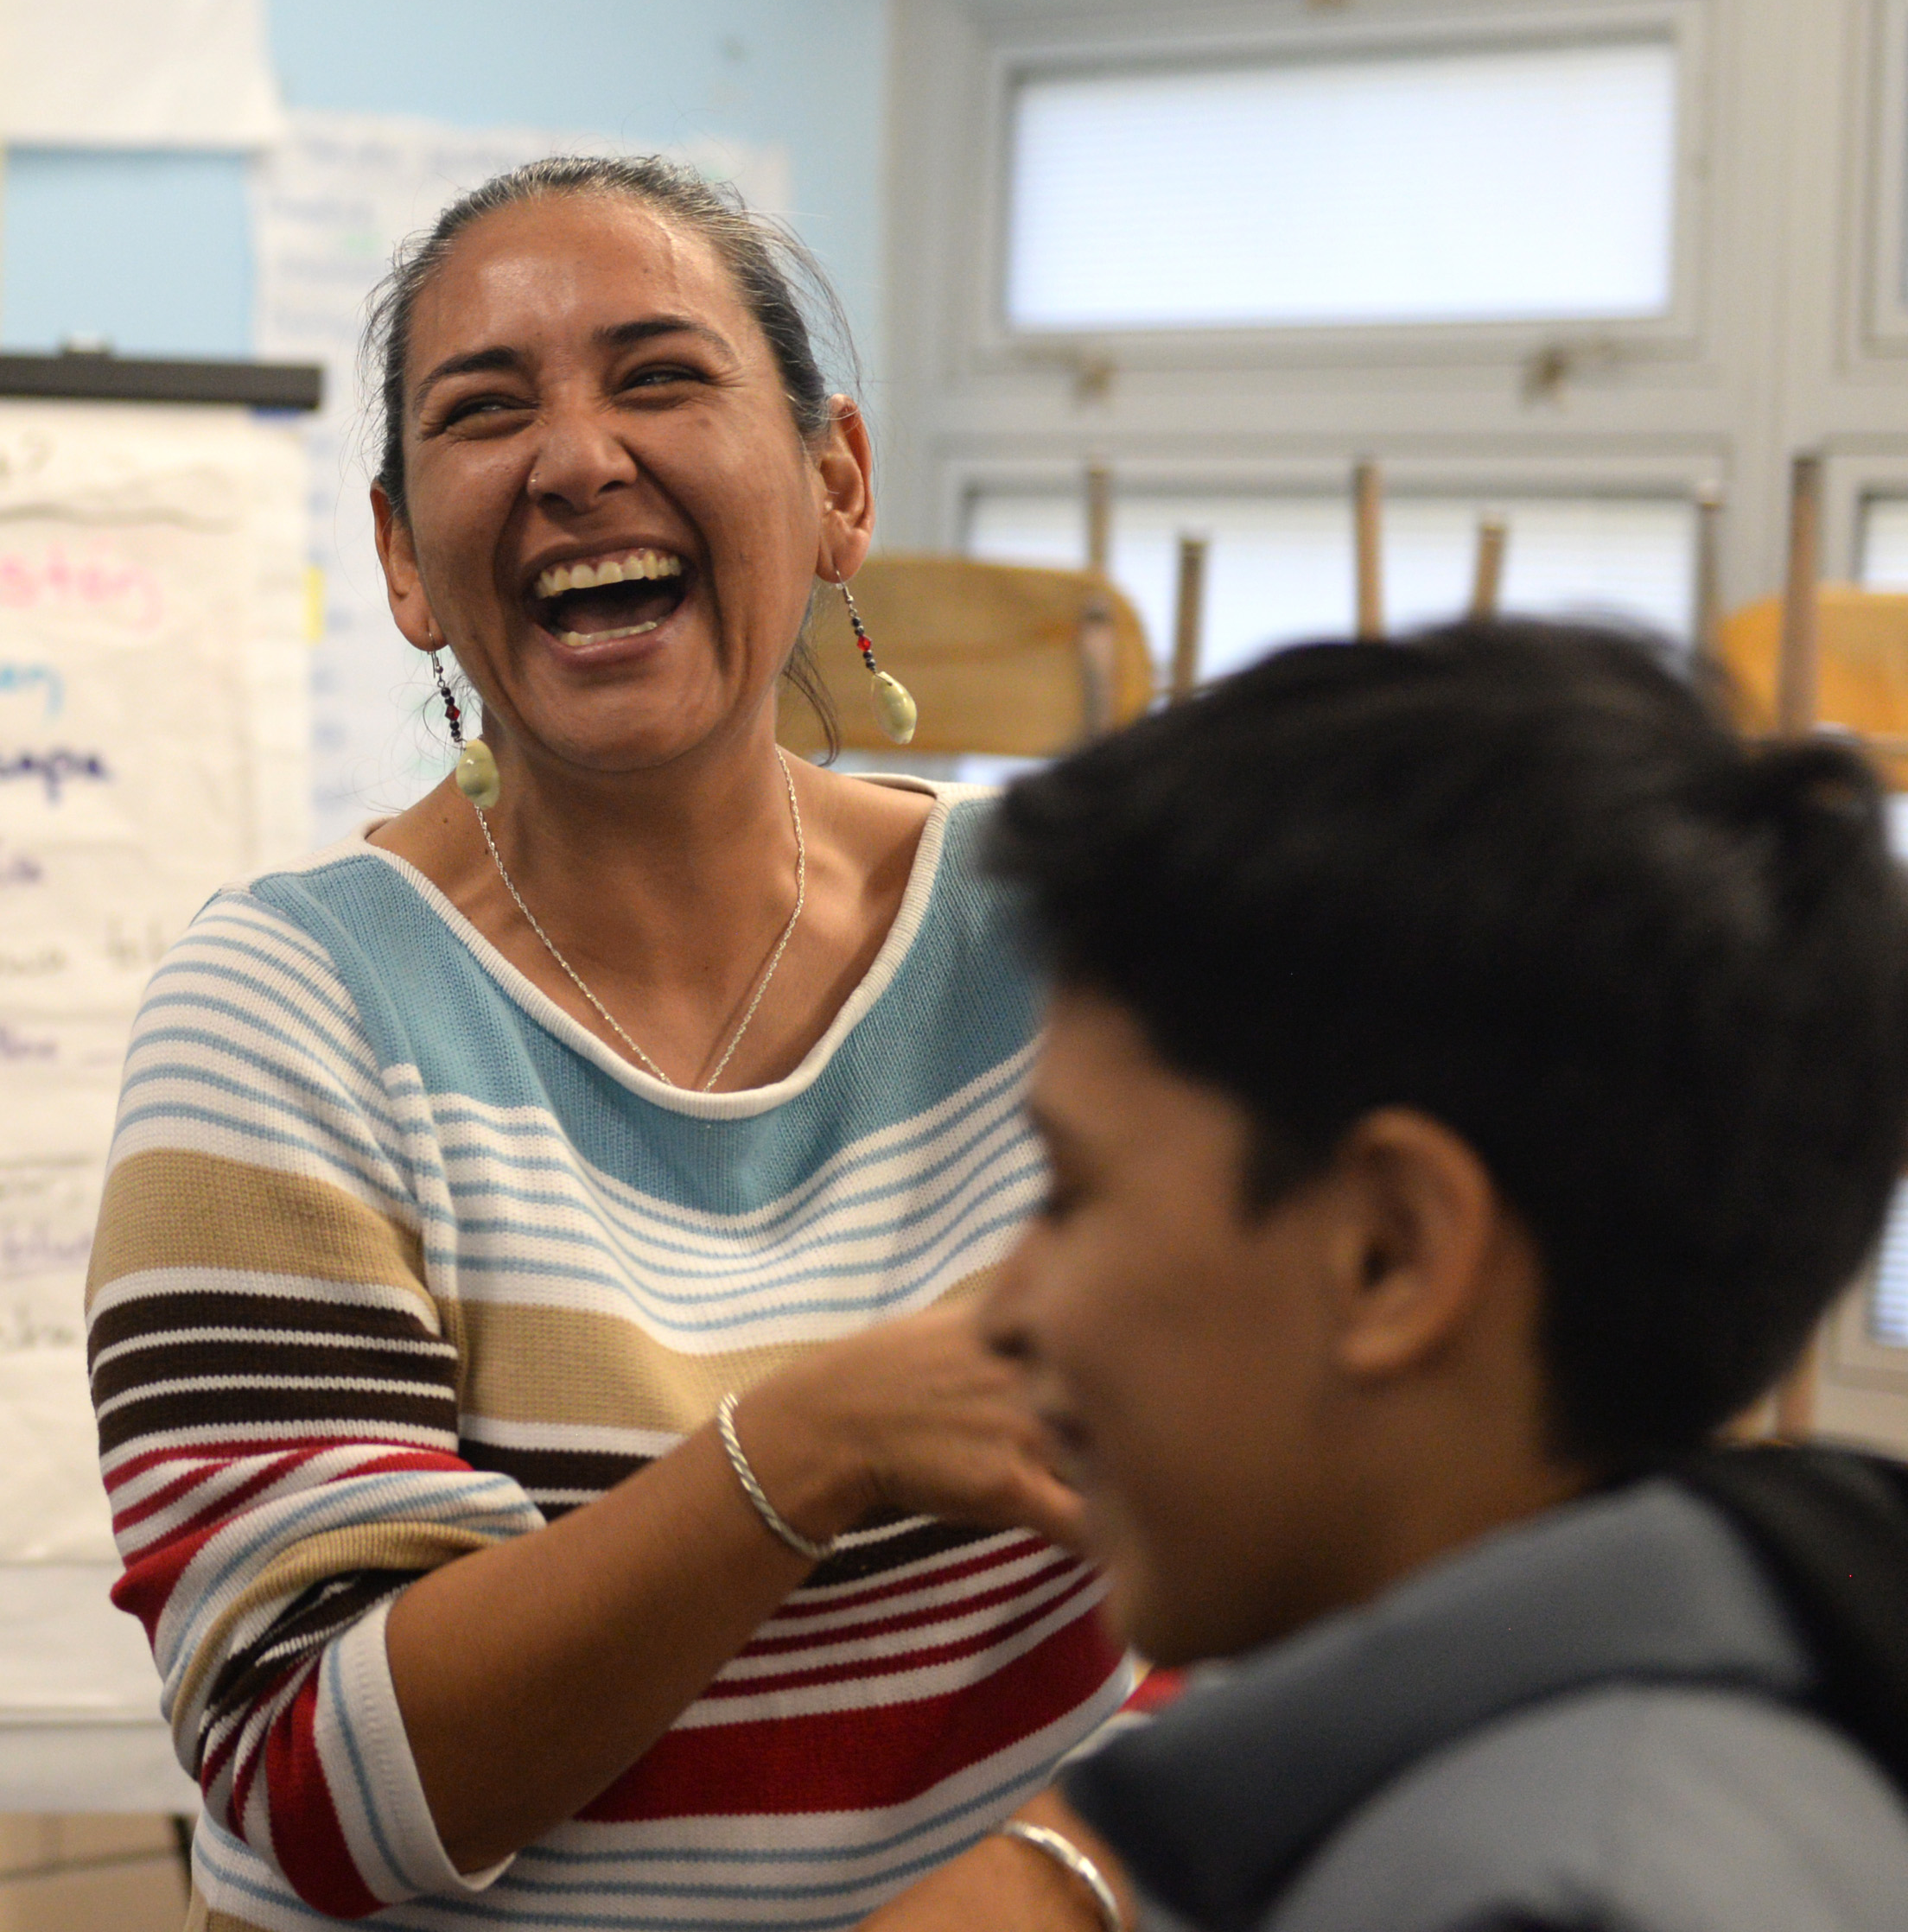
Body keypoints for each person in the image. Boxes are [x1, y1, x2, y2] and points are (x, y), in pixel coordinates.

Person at [87, 157, 1129, 1932]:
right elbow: (313, 1786)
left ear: (837, 482)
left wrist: (1056, 1879)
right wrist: (804, 1451)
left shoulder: (1078, 940)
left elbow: (1300, 1554)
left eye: (659, 377)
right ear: (408, 557)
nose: (577, 457)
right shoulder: (288, 1008)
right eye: (486, 411)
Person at [948, 620, 1908, 1932]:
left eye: (1074, 1193)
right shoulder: (1686, 1770)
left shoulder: (1536, 1895)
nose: (1005, 1310)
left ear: (1393, 1254)